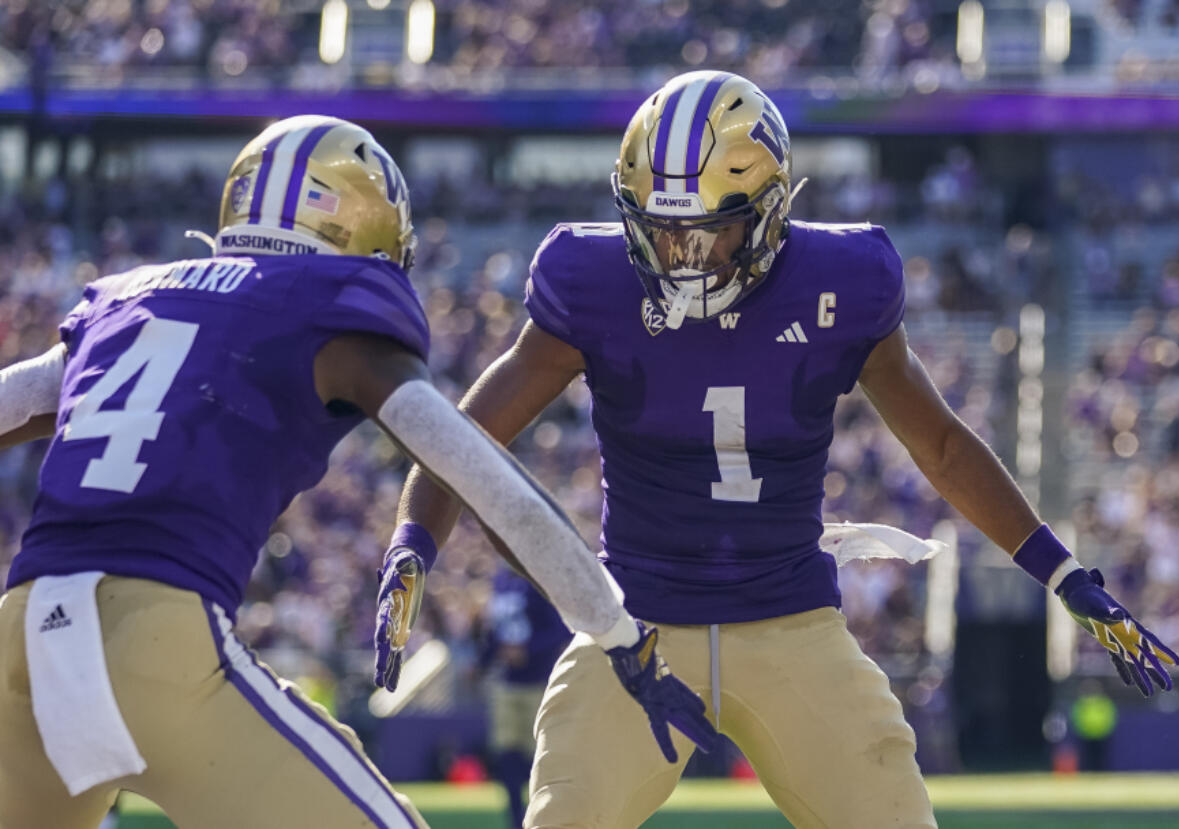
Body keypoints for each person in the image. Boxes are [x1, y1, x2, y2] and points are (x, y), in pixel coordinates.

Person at [394, 71, 1179, 829]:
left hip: (790, 620)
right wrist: (414, 541)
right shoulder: (590, 278)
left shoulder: (844, 279)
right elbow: (464, 439)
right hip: (629, 627)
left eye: (708, 232)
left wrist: (1062, 570)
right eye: (662, 231)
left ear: (770, 210)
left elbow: (940, 443)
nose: (683, 258)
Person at [0, 115, 716, 829]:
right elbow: (478, 475)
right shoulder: (327, 312)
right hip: (155, 637)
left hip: (22, 634)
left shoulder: (126, 298)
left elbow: (14, 400)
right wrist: (619, 630)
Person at [480, 566, 571, 828]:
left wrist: (528, 650)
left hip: (538, 681)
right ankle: (514, 816)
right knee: (507, 751)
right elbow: (497, 629)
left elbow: (560, 630)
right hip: (506, 683)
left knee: (540, 754)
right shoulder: (500, 580)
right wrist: (484, 660)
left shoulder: (539, 580)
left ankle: (542, 814)